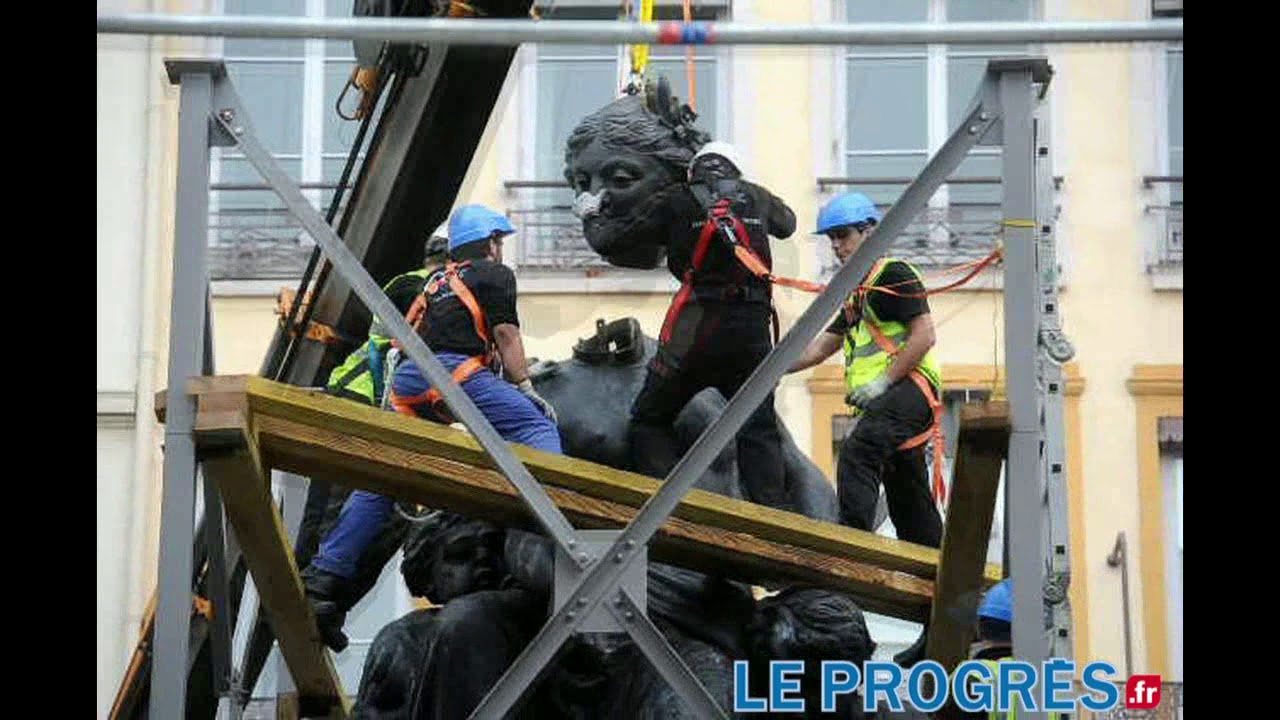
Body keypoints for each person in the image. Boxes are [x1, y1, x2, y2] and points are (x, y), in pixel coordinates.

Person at [302, 205, 561, 652]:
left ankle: (325, 576)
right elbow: (505, 335)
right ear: (489, 243)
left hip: (408, 384)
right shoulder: (494, 275)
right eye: (497, 241)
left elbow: (402, 341)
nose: (500, 248)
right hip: (450, 376)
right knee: (536, 427)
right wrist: (525, 386)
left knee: (380, 485)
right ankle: (558, 526)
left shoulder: (429, 285)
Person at [787, 190, 945, 666]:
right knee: (912, 511)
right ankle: (938, 617)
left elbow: (924, 334)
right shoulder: (857, 291)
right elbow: (820, 348)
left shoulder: (892, 275)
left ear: (870, 232)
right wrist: (770, 368)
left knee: (857, 452)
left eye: (843, 236)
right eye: (832, 239)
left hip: (908, 392)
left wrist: (883, 383)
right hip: (892, 405)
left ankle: (850, 540)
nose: (837, 246)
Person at [600, 141, 797, 510]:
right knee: (758, 425)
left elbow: (620, 239)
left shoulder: (675, 199)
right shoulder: (756, 196)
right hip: (751, 328)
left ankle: (677, 506)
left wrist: (597, 210)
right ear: (736, 170)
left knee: (649, 418)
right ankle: (771, 516)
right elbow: (788, 224)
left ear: (693, 172)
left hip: (695, 329)